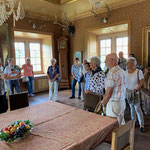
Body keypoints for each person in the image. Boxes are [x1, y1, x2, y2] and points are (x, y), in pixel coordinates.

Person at [102, 53, 127, 126]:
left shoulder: (112, 72)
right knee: (121, 125)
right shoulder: (122, 70)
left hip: (114, 104)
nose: (104, 62)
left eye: (106, 60)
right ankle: (123, 138)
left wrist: (103, 103)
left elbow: (108, 93)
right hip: (122, 102)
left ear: (111, 60)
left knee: (112, 127)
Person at [126, 57, 144, 132]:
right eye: (127, 62)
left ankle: (141, 124)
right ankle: (133, 122)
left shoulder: (138, 72)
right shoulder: (125, 72)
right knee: (131, 108)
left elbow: (141, 82)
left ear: (133, 63)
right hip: (128, 92)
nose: (127, 64)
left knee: (137, 108)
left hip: (135, 92)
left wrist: (136, 89)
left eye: (128, 62)